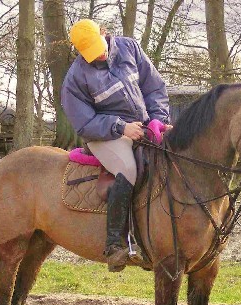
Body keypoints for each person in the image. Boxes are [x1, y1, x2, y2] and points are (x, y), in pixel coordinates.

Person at [61, 19, 171, 272]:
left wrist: (158, 120)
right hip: (105, 136)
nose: (98, 55)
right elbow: (84, 123)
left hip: (144, 125)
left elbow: (154, 87)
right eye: (90, 52)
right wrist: (121, 127)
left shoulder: (130, 48)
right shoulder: (75, 79)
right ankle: (115, 245)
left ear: (104, 33)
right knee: (128, 170)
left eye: (99, 47)